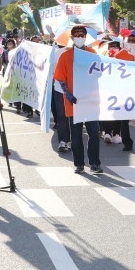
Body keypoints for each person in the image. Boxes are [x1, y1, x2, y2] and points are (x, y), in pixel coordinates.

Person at [53, 26, 103, 174]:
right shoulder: (65, 55)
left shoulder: (92, 54)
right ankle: (79, 163)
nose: (79, 37)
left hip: (90, 101)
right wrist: (67, 94)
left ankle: (95, 163)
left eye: (82, 35)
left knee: (94, 133)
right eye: (77, 35)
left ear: (85, 37)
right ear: (72, 37)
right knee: (76, 136)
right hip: (73, 102)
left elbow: (99, 74)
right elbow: (60, 77)